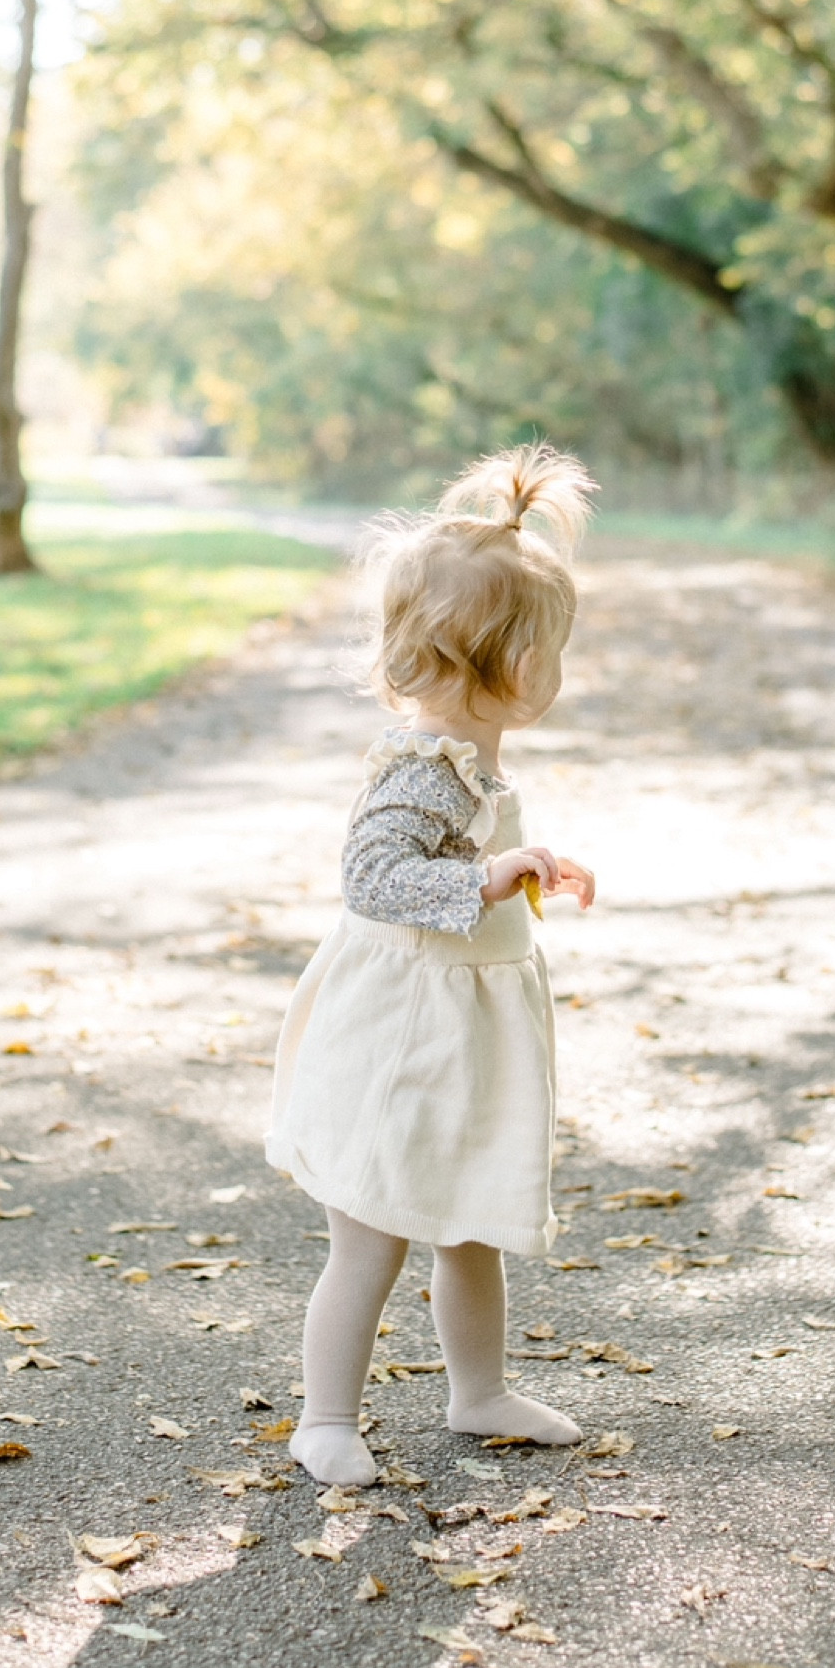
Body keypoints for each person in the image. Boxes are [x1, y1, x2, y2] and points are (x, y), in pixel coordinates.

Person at [266, 444, 598, 1487]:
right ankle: (324, 1415)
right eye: (545, 651)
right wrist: (485, 877)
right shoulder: (422, 770)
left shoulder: (473, 757)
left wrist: (519, 869)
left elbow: (466, 865)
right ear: (483, 660)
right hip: (399, 1032)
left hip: (462, 1030)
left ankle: (477, 1389)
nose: (555, 672)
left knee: (470, 1222)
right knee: (370, 1233)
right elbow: (371, 876)